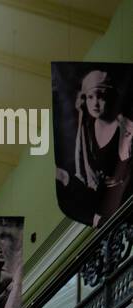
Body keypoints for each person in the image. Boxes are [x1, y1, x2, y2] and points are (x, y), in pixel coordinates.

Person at [56, 69, 133, 227]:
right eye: (91, 97)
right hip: (103, 209)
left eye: (101, 96)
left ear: (110, 96)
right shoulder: (85, 133)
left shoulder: (128, 130)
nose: (95, 103)